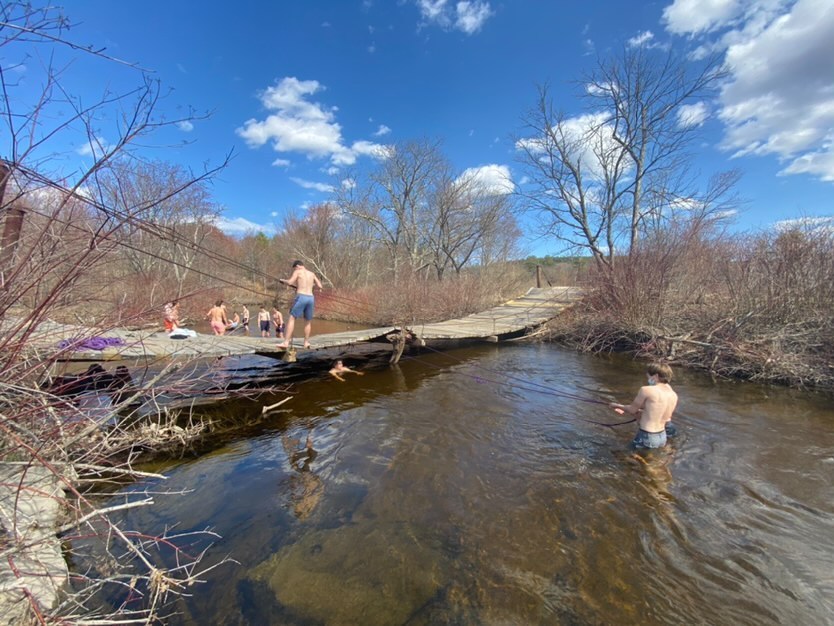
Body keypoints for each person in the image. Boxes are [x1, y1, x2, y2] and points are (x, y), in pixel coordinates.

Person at [609, 362, 678, 449]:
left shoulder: (646, 390)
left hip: (647, 436)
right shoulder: (673, 394)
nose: (648, 380)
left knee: (624, 458)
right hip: (662, 436)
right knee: (653, 460)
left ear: (655, 376)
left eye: (648, 377)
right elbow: (654, 412)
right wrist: (628, 409)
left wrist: (616, 405)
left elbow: (632, 410)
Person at [277, 260, 322, 349]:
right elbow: (320, 286)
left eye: (294, 268)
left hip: (301, 297)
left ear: (297, 266)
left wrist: (282, 280)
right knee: (307, 321)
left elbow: (290, 282)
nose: (295, 269)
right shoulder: (312, 274)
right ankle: (306, 343)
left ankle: (286, 342)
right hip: (310, 298)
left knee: (292, 318)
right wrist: (309, 286)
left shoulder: (297, 272)